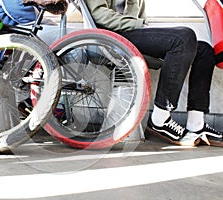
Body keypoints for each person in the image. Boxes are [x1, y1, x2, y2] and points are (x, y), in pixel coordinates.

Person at [84, 0, 223, 146]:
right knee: (184, 37)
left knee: (204, 51)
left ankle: (196, 123)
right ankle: (160, 119)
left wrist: (143, 27)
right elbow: (100, 15)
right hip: (112, 35)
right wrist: (138, 25)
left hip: (131, 32)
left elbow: (140, 16)